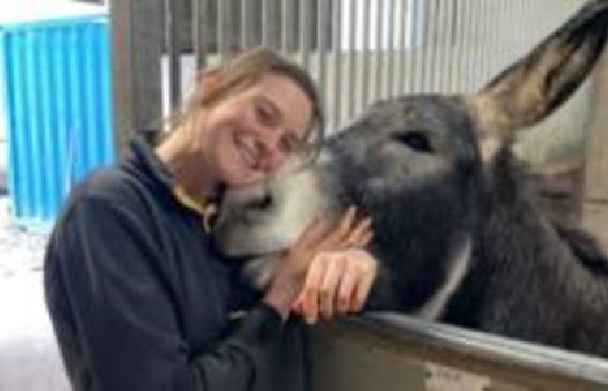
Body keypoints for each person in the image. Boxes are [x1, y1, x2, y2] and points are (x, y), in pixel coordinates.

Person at [43, 47, 379, 391]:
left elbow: (312, 263)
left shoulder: (221, 215)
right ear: (209, 86)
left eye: (287, 144)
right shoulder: (107, 212)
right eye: (263, 114)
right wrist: (275, 303)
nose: (269, 146)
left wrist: (352, 262)